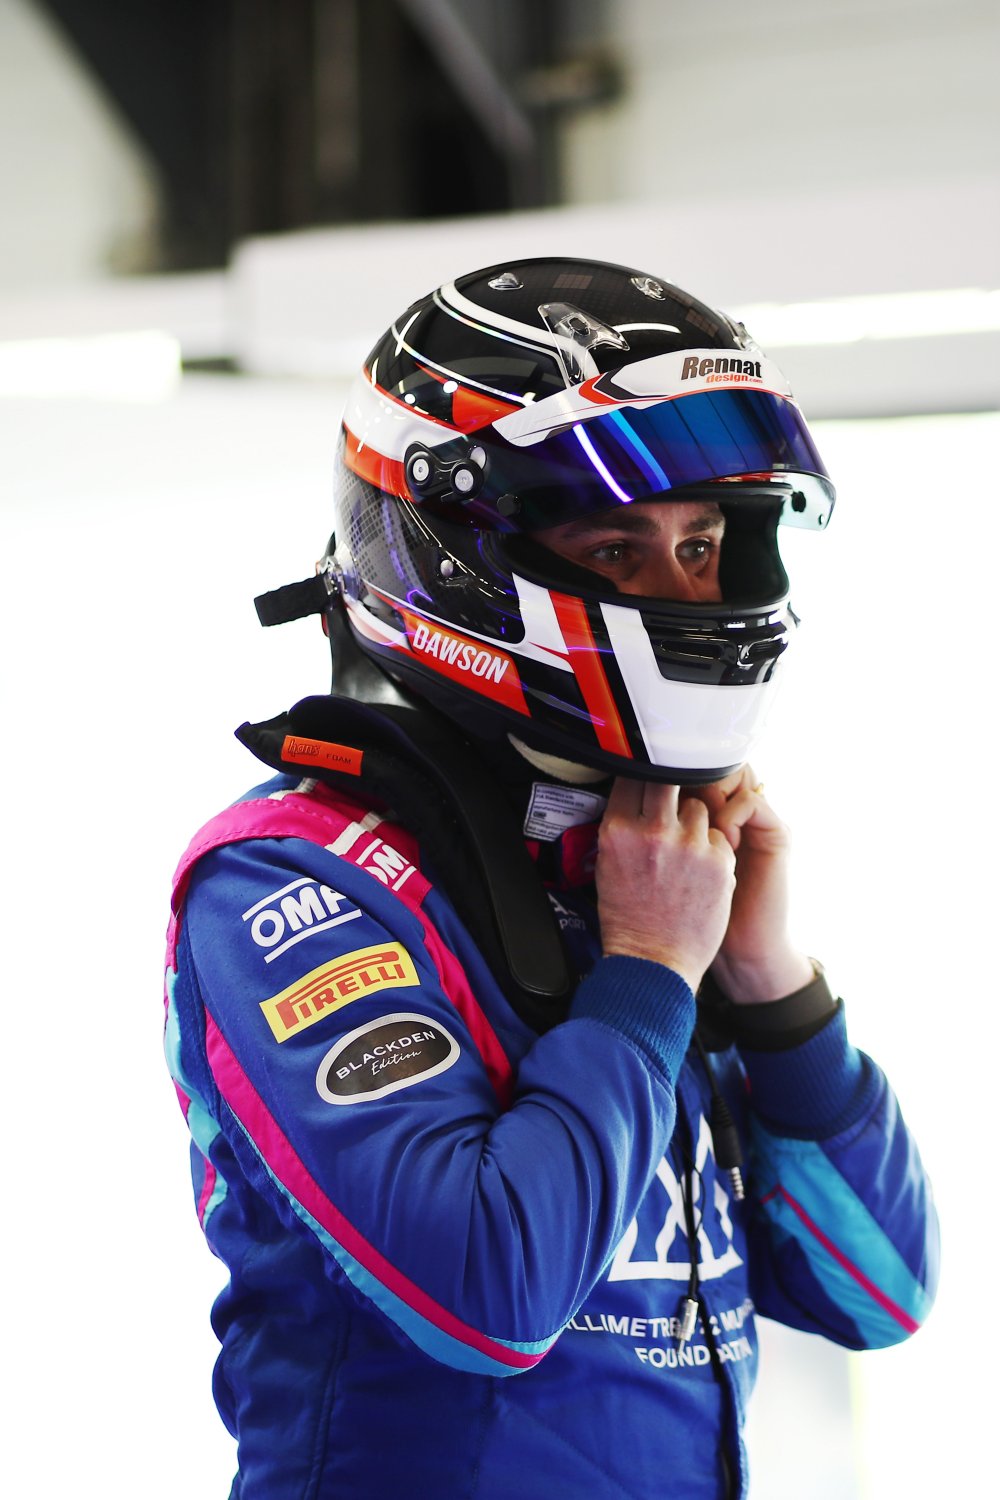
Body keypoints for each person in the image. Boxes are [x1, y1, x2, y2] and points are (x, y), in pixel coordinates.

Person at [164, 257, 939, 1499]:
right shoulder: (289, 876)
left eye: (703, 543)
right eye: (619, 546)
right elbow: (487, 1299)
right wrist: (645, 981)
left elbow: (879, 1290)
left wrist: (766, 982)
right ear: (459, 562)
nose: (690, 590)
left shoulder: (636, 873)